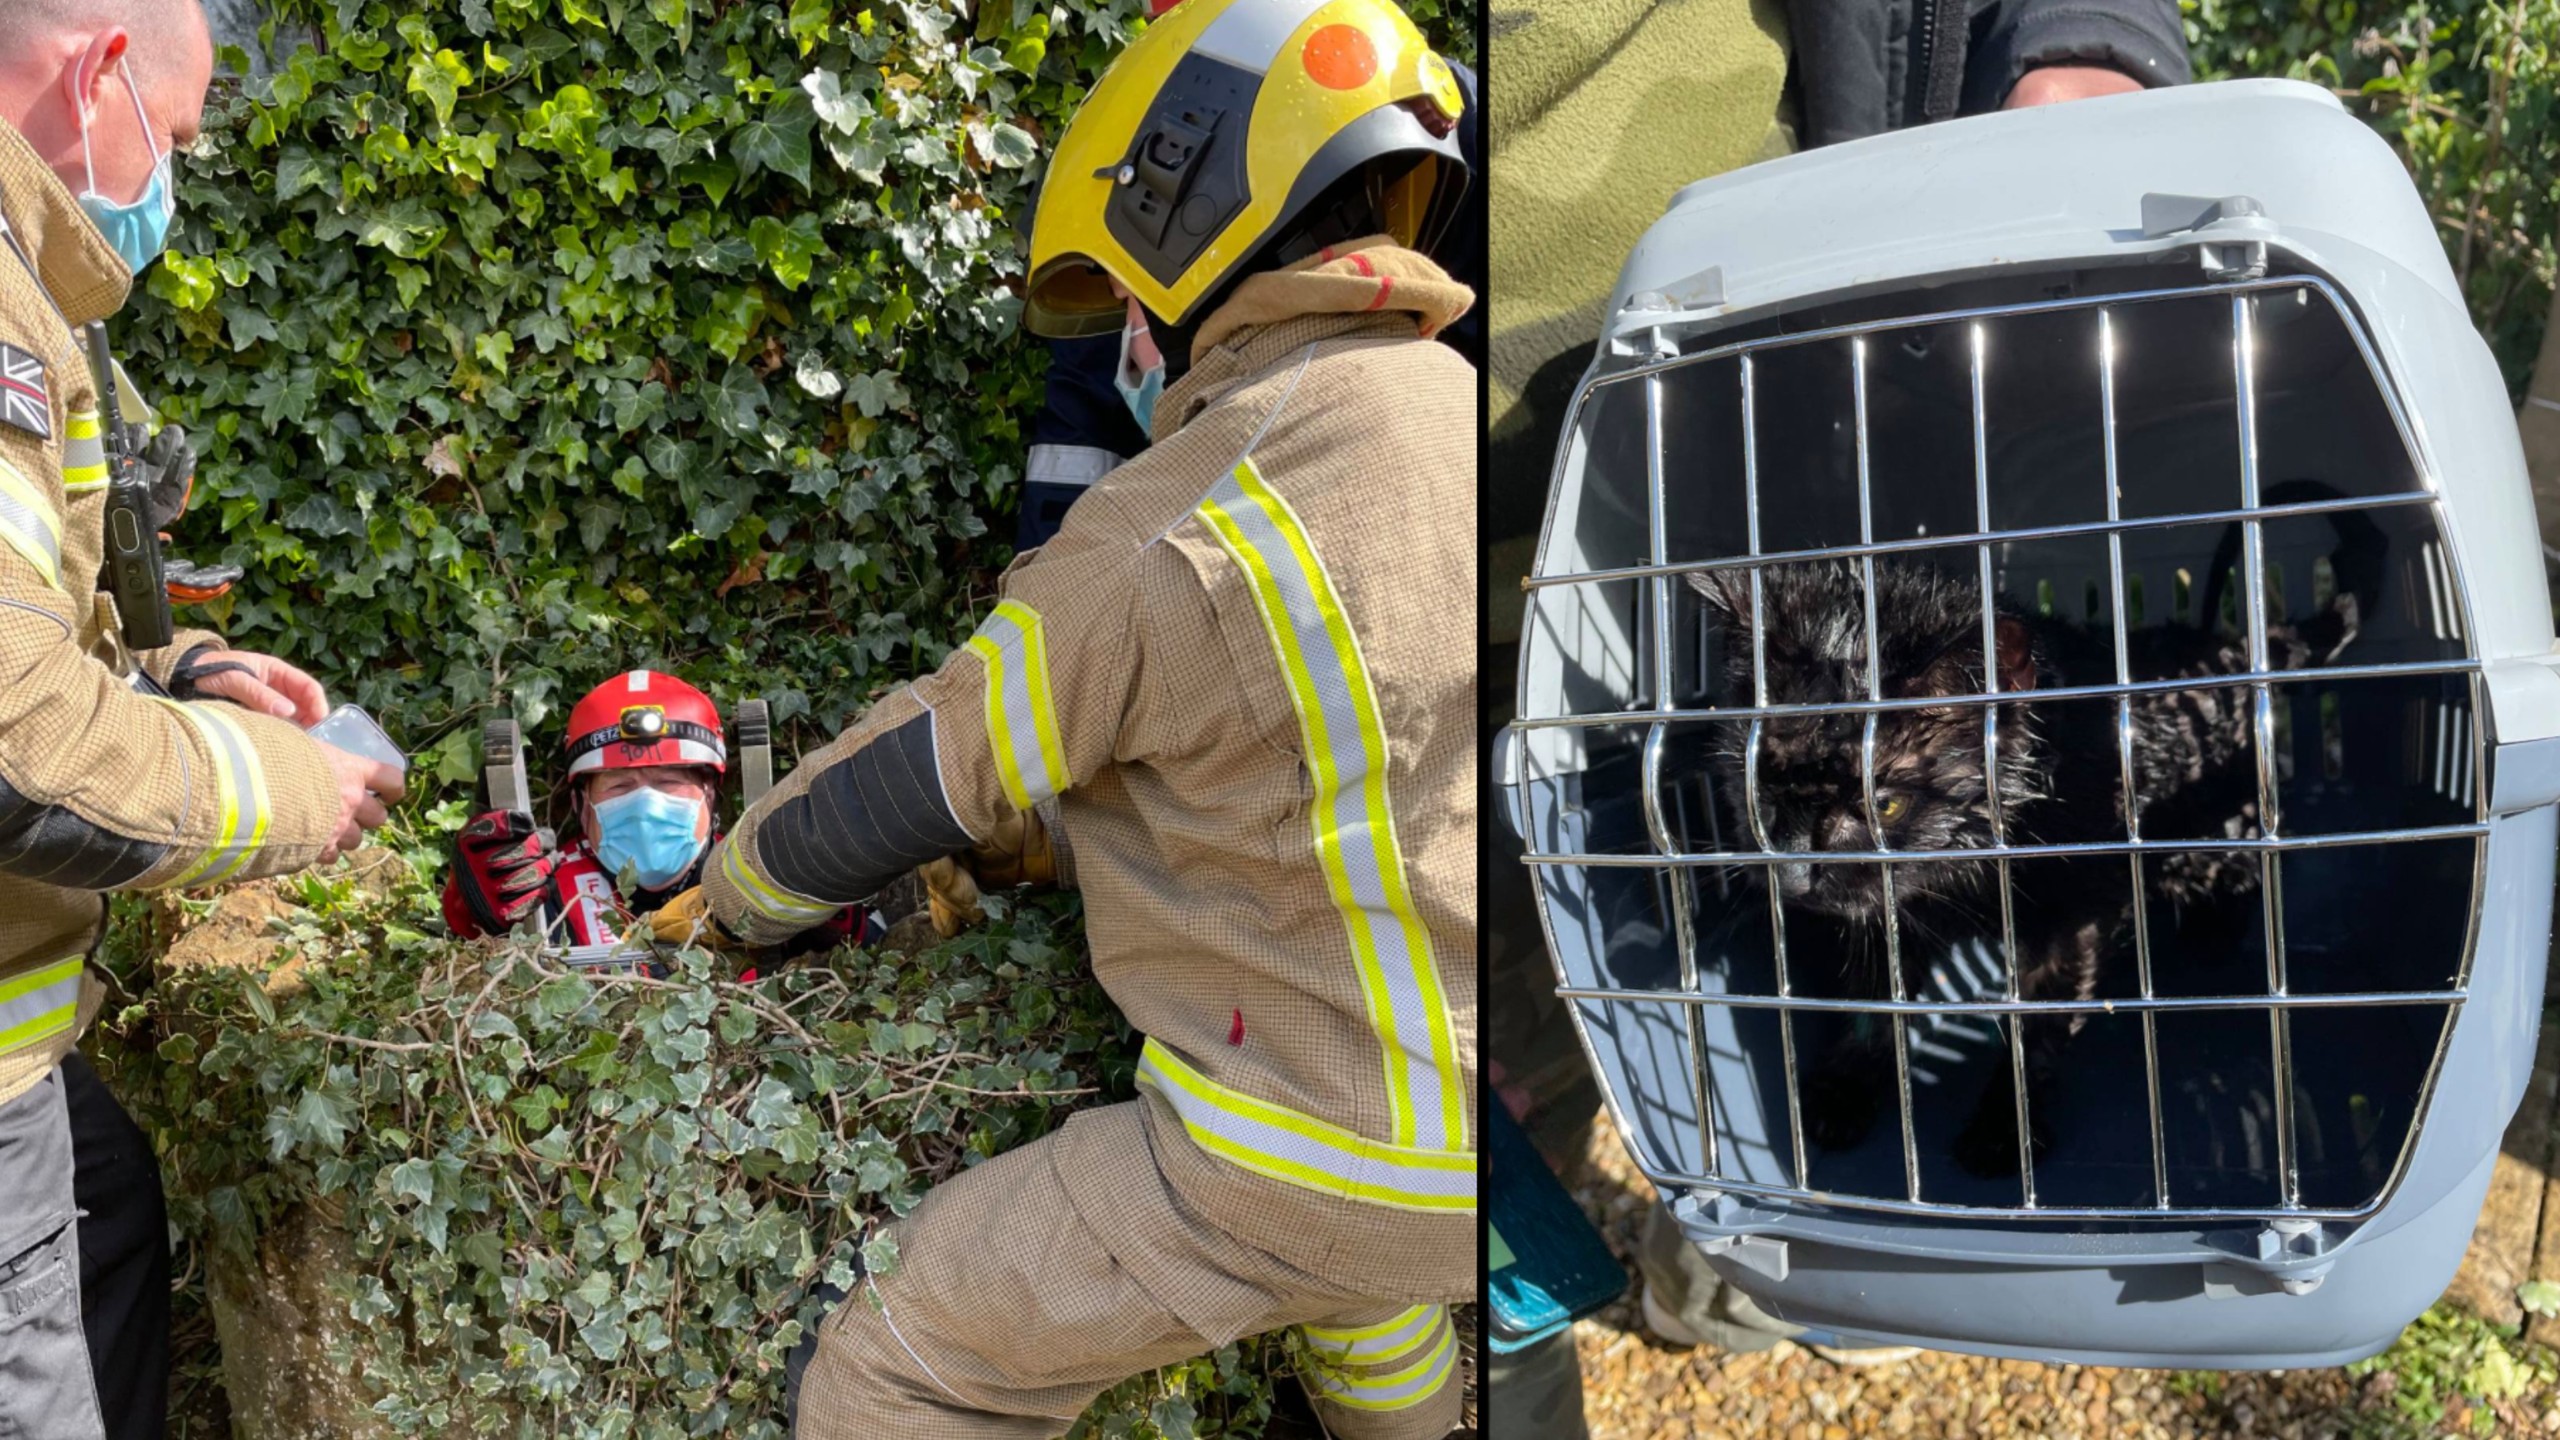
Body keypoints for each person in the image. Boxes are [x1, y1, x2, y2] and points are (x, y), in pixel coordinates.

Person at [650, 1, 1478, 1434]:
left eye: (1134, 301)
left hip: (1283, 1153)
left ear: (1193, 210)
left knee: (898, 1360)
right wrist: (1056, 851)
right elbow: (1329, 783)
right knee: (1372, 1311)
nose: (1132, 342)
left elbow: (920, 769)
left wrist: (724, 903)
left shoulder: (1194, 506)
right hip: (1480, 1153)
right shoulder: (1466, 413)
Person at [1481, 2, 2193, 1434]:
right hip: (1585, 553)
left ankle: (1771, 1273)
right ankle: (1593, 1246)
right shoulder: (1822, 755)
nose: (1803, 854)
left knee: (2005, 904)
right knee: (1577, 978)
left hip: (1779, 380)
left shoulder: (1983, 737)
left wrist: (2086, 42)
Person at [0, 6, 406, 1439]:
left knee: (105, 1202)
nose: (174, 176)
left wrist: (187, 680)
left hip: (28, 1059)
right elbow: (14, 749)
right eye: (174, 138)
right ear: (101, 69)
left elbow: (44, 625)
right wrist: (290, 791)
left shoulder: (38, 292)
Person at [1012, 0, 1485, 552]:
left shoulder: (1436, 117)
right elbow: (1081, 426)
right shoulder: (1141, 137)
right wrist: (1054, 559)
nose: (1120, 292)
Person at [443, 670, 880, 955]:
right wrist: (473, 912)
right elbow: (466, 971)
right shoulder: (540, 888)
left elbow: (880, 954)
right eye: (619, 785)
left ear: (711, 793)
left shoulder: (768, 871)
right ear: (580, 803)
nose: (646, 802)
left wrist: (823, 906)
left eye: (670, 782)